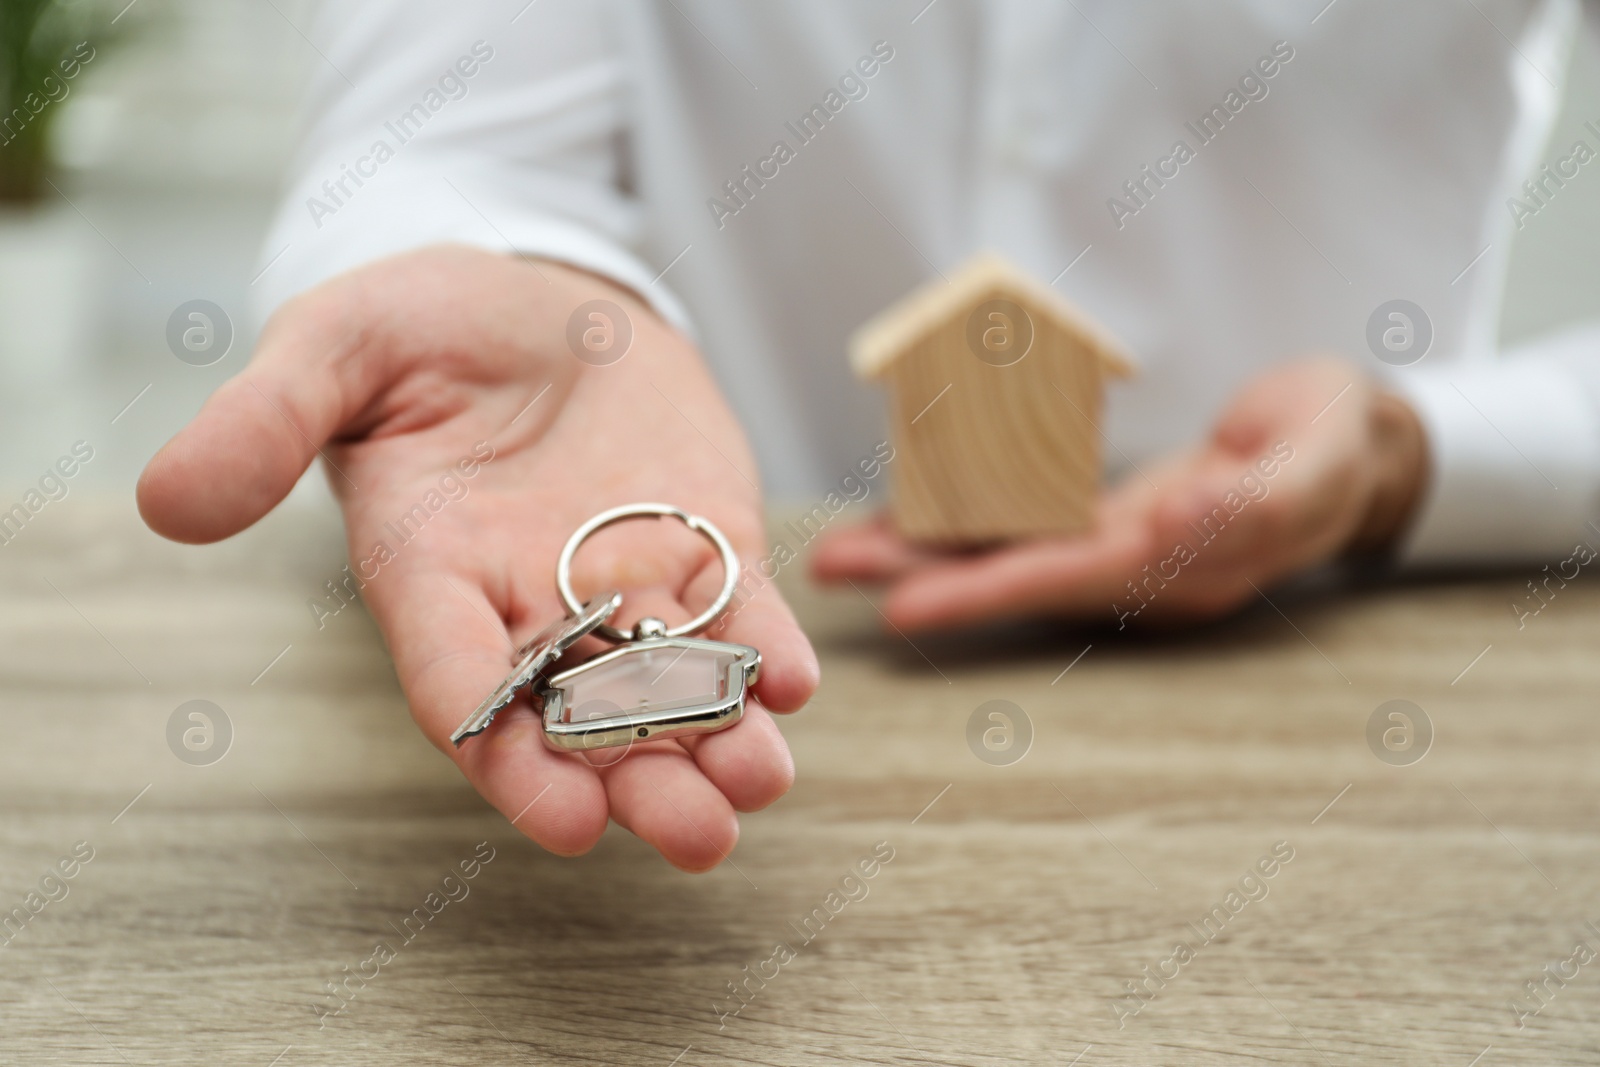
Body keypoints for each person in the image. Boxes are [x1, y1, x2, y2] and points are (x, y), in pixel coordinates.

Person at [137, 0, 1600, 869]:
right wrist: (517, 279)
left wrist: (1419, 454)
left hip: (1367, 711)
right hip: (796, 754)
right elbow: (447, 138)